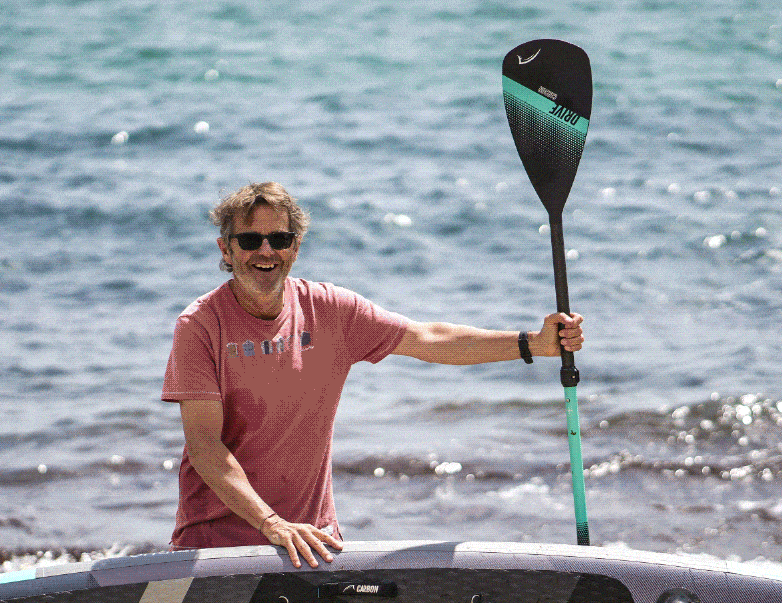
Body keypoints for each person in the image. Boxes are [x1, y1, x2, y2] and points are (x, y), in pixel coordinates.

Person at [162, 181, 584, 569]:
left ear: (296, 246)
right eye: (251, 240)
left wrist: (534, 342)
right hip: (218, 549)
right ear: (225, 249)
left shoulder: (330, 310)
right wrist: (272, 523)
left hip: (311, 544)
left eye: (280, 239)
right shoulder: (200, 326)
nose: (266, 251)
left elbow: (429, 338)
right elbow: (204, 447)